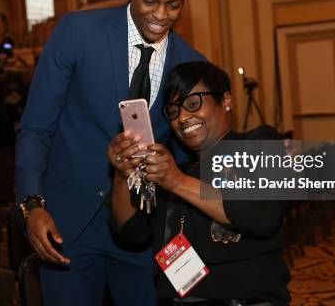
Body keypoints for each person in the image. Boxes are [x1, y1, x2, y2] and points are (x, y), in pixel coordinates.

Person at [15, 0, 211, 306]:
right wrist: (32, 206)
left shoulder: (191, 64)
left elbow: (192, 157)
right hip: (69, 225)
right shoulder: (76, 32)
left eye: (173, 4)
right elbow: (36, 129)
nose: (161, 15)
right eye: (149, 0)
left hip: (144, 229)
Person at [108, 62, 290, 305]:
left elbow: (259, 213)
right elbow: (131, 233)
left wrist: (177, 182)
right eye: (173, 111)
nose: (182, 117)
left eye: (193, 104)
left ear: (225, 100)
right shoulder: (174, 171)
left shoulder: (259, 144)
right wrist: (121, 176)